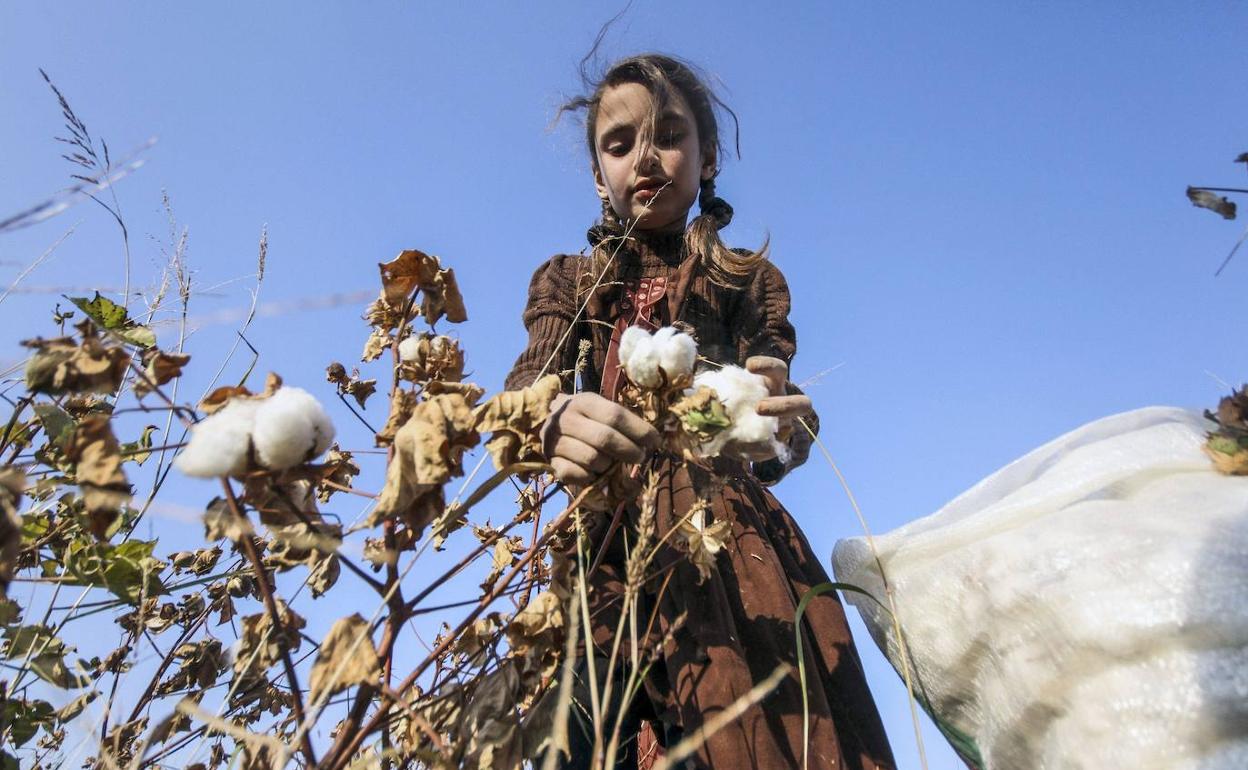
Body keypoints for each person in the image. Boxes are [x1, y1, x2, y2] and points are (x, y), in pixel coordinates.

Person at [505, 53, 896, 770]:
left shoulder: (745, 278)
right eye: (618, 144)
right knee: (588, 736)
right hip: (604, 538)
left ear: (708, 156)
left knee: (756, 726)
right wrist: (550, 419)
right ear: (598, 176)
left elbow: (780, 413)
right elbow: (527, 392)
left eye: (669, 135)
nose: (644, 157)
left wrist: (783, 427)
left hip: (729, 538)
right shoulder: (567, 283)